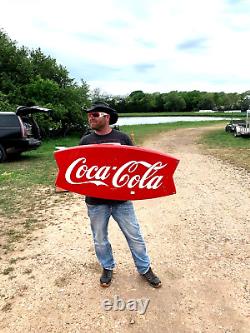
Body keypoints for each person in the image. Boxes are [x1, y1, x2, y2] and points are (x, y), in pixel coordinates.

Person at [79, 102, 161, 288]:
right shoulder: (85, 141)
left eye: (95, 114)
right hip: (95, 202)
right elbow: (81, 170)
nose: (90, 117)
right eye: (89, 115)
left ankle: (144, 268)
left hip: (121, 200)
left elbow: (135, 166)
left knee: (135, 236)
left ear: (107, 117)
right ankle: (107, 267)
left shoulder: (122, 138)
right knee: (99, 239)